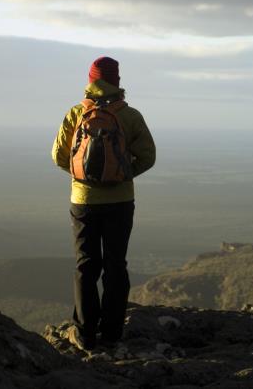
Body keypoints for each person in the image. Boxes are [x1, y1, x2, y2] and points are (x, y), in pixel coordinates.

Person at [52, 56, 156, 351]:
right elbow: (148, 156)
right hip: (120, 201)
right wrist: (121, 175)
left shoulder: (76, 113)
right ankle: (111, 333)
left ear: (91, 79)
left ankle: (84, 334)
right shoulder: (130, 116)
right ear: (117, 80)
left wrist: (83, 178)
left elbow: (59, 156)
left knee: (86, 266)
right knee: (115, 265)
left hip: (82, 201)